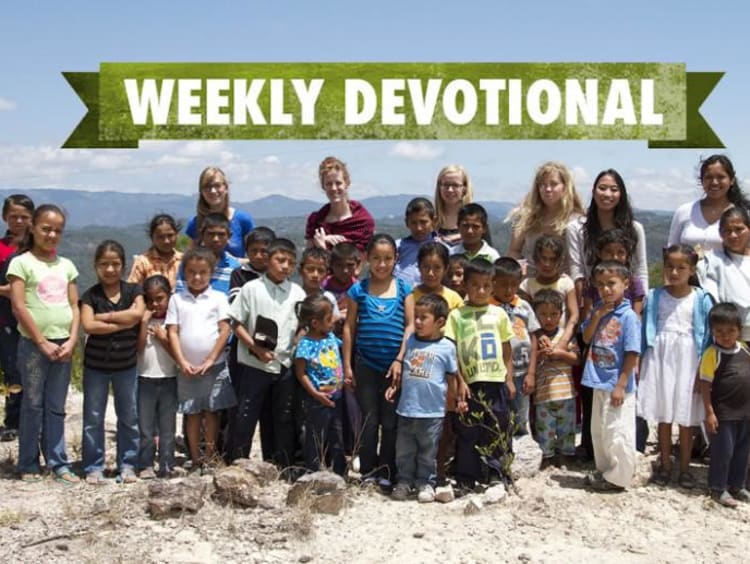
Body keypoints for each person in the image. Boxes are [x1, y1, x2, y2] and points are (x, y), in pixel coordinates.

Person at [8, 204, 79, 484]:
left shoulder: (67, 266)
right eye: (46, 228)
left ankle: (58, 462)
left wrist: (72, 339)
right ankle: (27, 463)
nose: (51, 234)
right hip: (33, 345)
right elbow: (18, 306)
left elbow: (75, 305)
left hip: (64, 344)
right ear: (34, 228)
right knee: (32, 404)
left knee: (56, 405)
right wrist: (41, 341)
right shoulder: (21, 263)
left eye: (57, 230)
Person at [227, 238, 306, 469]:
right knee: (246, 415)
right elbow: (236, 322)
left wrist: (297, 341)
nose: (285, 266)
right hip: (253, 364)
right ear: (268, 260)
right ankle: (238, 464)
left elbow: (302, 324)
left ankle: (278, 465)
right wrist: (255, 348)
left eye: (290, 263)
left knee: (281, 418)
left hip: (284, 364)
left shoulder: (297, 292)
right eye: (280, 260)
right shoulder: (251, 289)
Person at [639, 244, 713, 488]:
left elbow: (707, 337)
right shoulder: (655, 296)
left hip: (688, 360)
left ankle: (684, 468)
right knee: (663, 414)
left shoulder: (701, 299)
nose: (674, 272)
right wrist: (641, 361)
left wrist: (702, 369)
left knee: (686, 415)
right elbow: (645, 330)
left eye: (681, 267)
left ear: (692, 269)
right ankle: (665, 465)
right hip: (660, 358)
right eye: (670, 266)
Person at [343, 234, 412, 489]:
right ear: (367, 259)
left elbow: (410, 325)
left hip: (393, 368)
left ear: (395, 259)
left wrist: (400, 360)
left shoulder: (405, 289)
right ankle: (369, 469)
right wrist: (348, 365)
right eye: (376, 259)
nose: (382, 264)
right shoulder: (357, 290)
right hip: (366, 365)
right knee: (369, 420)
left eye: (387, 259)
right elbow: (349, 328)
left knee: (391, 422)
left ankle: (388, 470)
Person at [400, 242, 463, 500]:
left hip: (443, 367)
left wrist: (461, 384)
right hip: (417, 368)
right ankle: (407, 479)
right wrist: (399, 358)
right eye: (425, 267)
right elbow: (409, 329)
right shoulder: (412, 296)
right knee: (411, 436)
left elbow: (457, 337)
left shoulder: (454, 299)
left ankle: (434, 476)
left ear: (445, 269)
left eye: (437, 267)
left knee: (440, 429)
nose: (431, 272)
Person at [445, 258, 514, 489]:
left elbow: (506, 348)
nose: (481, 290)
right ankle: (466, 476)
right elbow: (452, 351)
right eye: (475, 285)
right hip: (469, 384)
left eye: (486, 285)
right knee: (467, 430)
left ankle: (496, 473)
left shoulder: (499, 314)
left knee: (497, 426)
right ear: (465, 285)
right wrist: (459, 382)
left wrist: (509, 378)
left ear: (492, 285)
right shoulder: (456, 316)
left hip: (496, 381)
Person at [80, 240, 145, 484]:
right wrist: (123, 321)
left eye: (115, 264)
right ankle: (93, 467)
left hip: (126, 365)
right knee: (93, 418)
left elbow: (137, 314)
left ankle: (128, 465)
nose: (110, 269)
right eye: (104, 264)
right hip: (95, 367)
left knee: (129, 417)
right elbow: (88, 325)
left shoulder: (133, 291)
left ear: (123, 265)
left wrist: (105, 318)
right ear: (96, 266)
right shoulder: (90, 295)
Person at [166, 248, 237, 471]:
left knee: (212, 411)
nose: (197, 277)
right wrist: (182, 362)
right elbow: (173, 332)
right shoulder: (177, 299)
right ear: (184, 273)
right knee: (192, 412)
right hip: (187, 368)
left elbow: (225, 330)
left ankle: (210, 456)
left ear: (211, 273)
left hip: (213, 366)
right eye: (191, 272)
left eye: (202, 272)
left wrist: (210, 359)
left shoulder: (218, 298)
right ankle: (195, 458)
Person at [386, 294, 459, 503]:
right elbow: (406, 370)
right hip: (407, 409)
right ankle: (404, 481)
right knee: (404, 450)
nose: (417, 322)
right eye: (415, 317)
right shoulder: (410, 341)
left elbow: (452, 377)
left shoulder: (447, 347)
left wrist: (455, 401)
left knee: (428, 451)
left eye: (423, 318)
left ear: (440, 322)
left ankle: (426, 482)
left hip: (433, 411)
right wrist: (394, 387)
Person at [581, 260, 641, 491]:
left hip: (617, 383)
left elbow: (632, 353)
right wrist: (597, 316)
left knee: (618, 431)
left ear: (625, 284)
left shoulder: (628, 317)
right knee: (600, 429)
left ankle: (619, 477)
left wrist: (621, 384)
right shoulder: (598, 310)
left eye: (612, 284)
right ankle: (604, 470)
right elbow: (586, 338)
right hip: (597, 379)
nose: (606, 289)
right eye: (601, 285)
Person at [567, 169, 649, 304]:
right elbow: (578, 272)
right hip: (592, 300)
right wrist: (584, 308)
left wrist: (642, 305)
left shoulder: (635, 229)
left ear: (621, 194)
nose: (607, 194)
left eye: (614, 189)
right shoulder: (576, 229)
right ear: (593, 192)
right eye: (602, 188)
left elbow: (640, 269)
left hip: (627, 302)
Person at [699, 302, 750, 508]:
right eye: (719, 331)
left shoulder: (745, 350)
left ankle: (737, 485)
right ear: (712, 331)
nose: (725, 335)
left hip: (746, 413)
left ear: (739, 330)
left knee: (742, 451)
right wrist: (709, 413)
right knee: (723, 452)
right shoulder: (712, 354)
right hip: (724, 414)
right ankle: (718, 488)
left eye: (731, 331)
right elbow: (704, 385)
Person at [294, 294, 346, 475]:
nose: (333, 320)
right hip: (317, 400)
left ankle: (340, 472)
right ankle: (314, 472)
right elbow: (301, 374)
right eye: (329, 318)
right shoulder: (305, 345)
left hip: (337, 397)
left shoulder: (331, 337)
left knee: (337, 435)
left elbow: (343, 349)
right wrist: (316, 394)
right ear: (315, 323)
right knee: (315, 436)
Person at [491, 257, 540, 436]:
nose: (508, 290)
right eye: (503, 284)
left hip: (523, 371)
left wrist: (532, 373)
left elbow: (533, 337)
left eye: (513, 285)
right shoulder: (488, 308)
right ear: (492, 282)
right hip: (498, 373)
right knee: (501, 415)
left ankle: (523, 456)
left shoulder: (524, 306)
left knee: (521, 416)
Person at [507, 161, 585, 273]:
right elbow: (514, 250)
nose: (548, 189)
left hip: (565, 284)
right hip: (530, 283)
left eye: (554, 184)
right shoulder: (526, 218)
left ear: (565, 187)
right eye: (543, 184)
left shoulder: (576, 221)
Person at [531, 289, 580, 467]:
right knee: (545, 428)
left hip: (566, 392)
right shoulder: (535, 338)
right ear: (535, 316)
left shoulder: (564, 337)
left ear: (561, 314)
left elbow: (576, 359)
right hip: (543, 395)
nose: (549, 319)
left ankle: (566, 455)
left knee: (567, 428)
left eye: (553, 314)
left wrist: (560, 353)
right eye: (543, 314)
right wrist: (540, 356)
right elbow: (530, 363)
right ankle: (547, 456)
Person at [137, 275, 179, 479]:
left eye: (160, 298)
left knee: (167, 426)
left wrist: (163, 339)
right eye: (150, 299)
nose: (155, 304)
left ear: (169, 297)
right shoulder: (142, 320)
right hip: (144, 377)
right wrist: (144, 323)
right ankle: (145, 463)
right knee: (145, 426)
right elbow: (137, 349)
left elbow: (178, 355)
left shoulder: (173, 322)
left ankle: (167, 462)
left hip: (169, 378)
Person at [0, 194, 34, 442]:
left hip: (33, 321)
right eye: (14, 216)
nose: (19, 221)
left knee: (26, 371)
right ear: (5, 218)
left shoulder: (39, 249)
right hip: (5, 320)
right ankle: (12, 421)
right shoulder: (2, 249)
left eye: (24, 216)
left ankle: (24, 420)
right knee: (12, 370)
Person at [668, 154, 750, 255]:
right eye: (709, 177)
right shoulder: (684, 212)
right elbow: (671, 251)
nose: (714, 182)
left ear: (731, 180)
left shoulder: (744, 215)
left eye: (721, 177)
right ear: (702, 181)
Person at [699, 206, 750, 342]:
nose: (733, 235)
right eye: (727, 231)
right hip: (732, 338)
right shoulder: (712, 261)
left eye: (739, 229)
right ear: (721, 234)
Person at [306, 156, 375, 254]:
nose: (334, 188)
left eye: (338, 183)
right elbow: (310, 262)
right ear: (323, 186)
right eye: (329, 184)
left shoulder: (363, 222)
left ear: (347, 183)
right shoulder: (315, 222)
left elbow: (359, 263)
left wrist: (323, 247)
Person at [520, 235, 579, 349]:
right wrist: (540, 335)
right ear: (535, 259)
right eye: (543, 258)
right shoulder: (527, 285)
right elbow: (526, 315)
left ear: (560, 261)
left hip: (563, 341)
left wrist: (563, 341)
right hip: (535, 342)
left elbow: (574, 315)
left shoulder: (566, 283)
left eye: (552, 259)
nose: (547, 264)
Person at [185, 166, 255, 259]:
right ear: (201, 191)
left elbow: (256, 259)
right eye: (207, 186)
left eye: (217, 186)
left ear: (225, 188)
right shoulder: (195, 223)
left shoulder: (243, 220)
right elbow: (190, 259)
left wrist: (232, 263)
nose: (213, 191)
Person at [580, 229, 646, 321]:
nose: (615, 257)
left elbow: (637, 315)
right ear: (599, 254)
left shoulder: (634, 282)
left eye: (620, 252)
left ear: (627, 255)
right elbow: (588, 313)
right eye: (609, 252)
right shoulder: (591, 283)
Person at [176, 213, 241, 296]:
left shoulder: (234, 267)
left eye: (221, 234)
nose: (216, 239)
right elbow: (180, 295)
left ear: (229, 236)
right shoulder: (189, 264)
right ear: (202, 235)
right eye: (211, 234)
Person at [394, 197, 445, 286]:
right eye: (413, 223)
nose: (419, 228)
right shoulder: (397, 247)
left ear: (434, 221)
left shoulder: (442, 248)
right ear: (407, 223)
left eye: (423, 222)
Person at [127, 214, 183, 290]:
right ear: (152, 238)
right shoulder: (143, 262)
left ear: (177, 235)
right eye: (160, 237)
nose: (166, 241)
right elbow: (131, 291)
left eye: (170, 235)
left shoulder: (184, 261)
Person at [228, 227, 276, 304]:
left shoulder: (277, 273)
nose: (258, 256)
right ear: (246, 251)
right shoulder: (239, 274)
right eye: (254, 251)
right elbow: (235, 301)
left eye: (263, 251)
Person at [433, 165, 474, 247]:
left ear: (464, 188)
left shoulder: (476, 219)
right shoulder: (430, 218)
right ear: (439, 187)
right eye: (446, 185)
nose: (450, 190)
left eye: (455, 185)